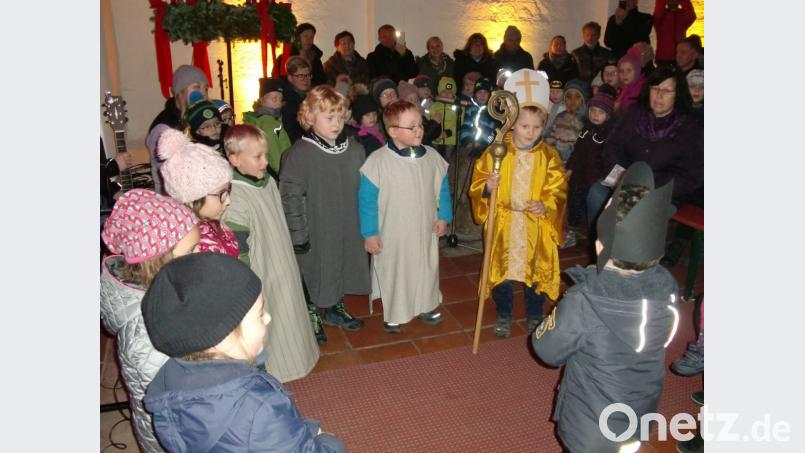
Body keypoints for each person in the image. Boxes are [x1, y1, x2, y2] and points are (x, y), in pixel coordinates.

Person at [532, 161, 679, 453]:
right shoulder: (667, 289)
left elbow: (547, 350)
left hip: (590, 426)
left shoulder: (584, 301)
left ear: (601, 247)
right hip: (639, 416)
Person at [141, 253, 346, 452]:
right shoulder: (260, 409)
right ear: (222, 337)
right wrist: (328, 441)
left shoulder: (170, 379)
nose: (268, 318)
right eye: (260, 314)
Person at [469, 68, 568, 337]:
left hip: (533, 224)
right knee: (502, 271)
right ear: (512, 123)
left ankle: (534, 313)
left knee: (532, 272)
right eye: (525, 126)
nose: (531, 132)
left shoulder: (548, 156)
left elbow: (558, 187)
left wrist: (546, 205)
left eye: (537, 127)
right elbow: (479, 182)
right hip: (504, 221)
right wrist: (488, 188)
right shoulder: (498, 152)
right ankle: (504, 312)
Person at [100, 189, 200, 452]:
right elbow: (175, 401)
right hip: (175, 437)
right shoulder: (148, 331)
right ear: (158, 261)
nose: (200, 255)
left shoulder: (159, 293)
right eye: (191, 250)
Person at [222, 124, 320, 381]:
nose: (266, 161)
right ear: (234, 159)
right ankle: (277, 370)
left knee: (291, 314)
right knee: (271, 324)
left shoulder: (268, 183)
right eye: (257, 157)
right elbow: (238, 250)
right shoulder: (236, 199)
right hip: (263, 273)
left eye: (266, 155)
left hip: (283, 263)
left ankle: (300, 359)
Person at [279, 85, 371, 344]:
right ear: (309, 117)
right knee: (314, 268)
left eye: (340, 117)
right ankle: (310, 312)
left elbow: (366, 191)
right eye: (328, 118)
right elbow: (291, 199)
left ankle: (334, 307)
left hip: (346, 223)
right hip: (315, 227)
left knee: (339, 262)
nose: (336, 123)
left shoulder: (354, 150)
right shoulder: (298, 155)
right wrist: (298, 235)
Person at [359, 100, 452, 333]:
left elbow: (442, 188)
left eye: (420, 124)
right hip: (394, 233)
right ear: (392, 132)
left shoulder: (431, 157)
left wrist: (444, 217)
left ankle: (427, 304)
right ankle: (395, 312)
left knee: (426, 268)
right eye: (412, 127)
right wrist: (370, 234)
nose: (419, 130)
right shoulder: (378, 162)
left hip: (424, 230)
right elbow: (367, 202)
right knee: (397, 271)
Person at [587, 65, 702, 231]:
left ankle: (623, 253)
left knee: (632, 213)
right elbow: (612, 147)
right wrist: (619, 176)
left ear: (677, 95)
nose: (659, 95)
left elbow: (691, 174)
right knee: (596, 194)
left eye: (667, 91)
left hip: (661, 190)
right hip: (624, 180)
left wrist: (647, 187)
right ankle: (599, 249)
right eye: (655, 88)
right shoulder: (634, 114)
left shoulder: (688, 127)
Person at [157, 128, 239, 257]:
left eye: (228, 190)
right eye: (221, 194)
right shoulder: (193, 246)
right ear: (191, 200)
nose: (228, 201)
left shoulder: (217, 227)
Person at [147, 64, 209, 193]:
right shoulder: (163, 128)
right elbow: (166, 175)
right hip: (174, 198)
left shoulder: (199, 118)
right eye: (197, 87)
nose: (203, 93)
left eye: (206, 88)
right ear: (180, 92)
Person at [565, 85, 617, 237]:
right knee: (574, 199)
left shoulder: (610, 133)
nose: (595, 115)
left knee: (593, 200)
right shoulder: (586, 128)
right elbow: (577, 150)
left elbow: (610, 158)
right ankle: (573, 226)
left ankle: (593, 231)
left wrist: (608, 179)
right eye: (593, 111)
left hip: (595, 175)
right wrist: (570, 167)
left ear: (608, 115)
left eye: (601, 112)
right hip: (580, 173)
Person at [243, 77, 292, 176]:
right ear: (262, 100)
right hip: (281, 172)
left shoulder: (272, 120)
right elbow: (274, 153)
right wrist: (284, 173)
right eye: (274, 99)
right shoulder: (268, 124)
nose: (278, 102)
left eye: (280, 99)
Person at [545, 78, 590, 164]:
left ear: (584, 100)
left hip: (570, 164)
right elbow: (549, 136)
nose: (572, 101)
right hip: (553, 160)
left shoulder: (586, 121)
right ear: (564, 99)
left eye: (577, 97)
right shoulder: (560, 117)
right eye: (569, 97)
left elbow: (581, 150)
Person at [458, 77, 499, 155]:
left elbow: (495, 131)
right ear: (475, 94)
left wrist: (482, 144)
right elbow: (466, 125)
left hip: (486, 146)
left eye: (485, 92)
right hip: (470, 143)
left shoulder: (493, 111)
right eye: (479, 92)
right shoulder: (471, 109)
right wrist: (467, 140)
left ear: (490, 94)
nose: (482, 95)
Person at [653, 0, 697, 65]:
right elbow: (658, 14)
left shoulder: (682, 15)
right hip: (664, 58)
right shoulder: (660, 17)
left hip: (681, 58)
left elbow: (691, 16)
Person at [282, 56, 314, 143]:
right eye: (300, 76)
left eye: (308, 75)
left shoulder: (310, 96)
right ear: (290, 78)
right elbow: (292, 134)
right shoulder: (287, 102)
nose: (306, 79)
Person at [430, 76, 460, 159]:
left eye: (450, 92)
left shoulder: (458, 107)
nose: (446, 94)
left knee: (447, 160)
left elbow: (458, 123)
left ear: (454, 94)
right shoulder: (433, 106)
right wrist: (436, 134)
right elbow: (429, 120)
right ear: (439, 92)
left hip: (451, 139)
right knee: (435, 159)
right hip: (436, 138)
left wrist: (449, 132)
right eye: (443, 91)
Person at [289, 22, 327, 87]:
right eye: (305, 36)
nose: (308, 40)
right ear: (298, 38)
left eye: (311, 37)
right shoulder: (287, 57)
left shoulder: (315, 58)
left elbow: (322, 81)